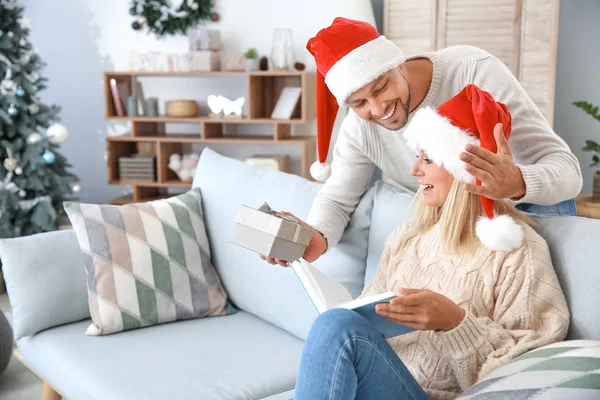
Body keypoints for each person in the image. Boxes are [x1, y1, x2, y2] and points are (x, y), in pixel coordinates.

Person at [292, 85, 570, 400]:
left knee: (335, 327)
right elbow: (366, 329)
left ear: (465, 170)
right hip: (374, 385)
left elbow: (525, 372)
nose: (415, 170)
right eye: (417, 157)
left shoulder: (517, 252)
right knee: (336, 323)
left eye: (428, 159)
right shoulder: (406, 238)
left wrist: (455, 323)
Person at [261, 17, 582, 267]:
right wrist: (315, 237)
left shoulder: (471, 70)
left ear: (397, 63)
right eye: (359, 103)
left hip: (536, 207)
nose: (377, 109)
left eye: (381, 87)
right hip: (467, 228)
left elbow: (567, 172)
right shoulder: (360, 129)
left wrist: (517, 182)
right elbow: (338, 197)